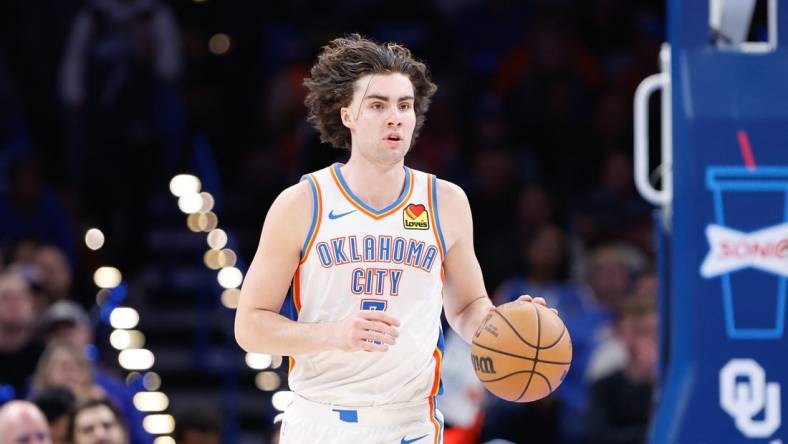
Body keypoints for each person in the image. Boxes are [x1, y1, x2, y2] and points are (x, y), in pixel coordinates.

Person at [234, 34, 552, 444]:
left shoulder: (446, 201)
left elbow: (468, 307)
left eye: (404, 105)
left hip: (410, 424)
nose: (395, 117)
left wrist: (504, 325)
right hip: (320, 420)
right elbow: (250, 326)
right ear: (346, 114)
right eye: (378, 105)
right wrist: (335, 335)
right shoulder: (302, 203)